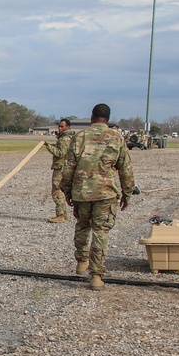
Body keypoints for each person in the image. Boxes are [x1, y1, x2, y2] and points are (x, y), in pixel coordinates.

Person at [60, 103, 135, 291]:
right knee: (100, 232)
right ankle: (96, 276)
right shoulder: (117, 138)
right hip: (105, 193)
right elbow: (125, 168)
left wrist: (67, 191)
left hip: (82, 192)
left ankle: (82, 261)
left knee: (83, 225)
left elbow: (68, 167)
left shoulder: (80, 137)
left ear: (92, 116)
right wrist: (127, 192)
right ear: (107, 118)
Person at [44, 118, 74, 223]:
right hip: (65, 167)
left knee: (56, 191)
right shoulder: (69, 137)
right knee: (60, 190)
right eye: (59, 126)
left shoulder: (65, 139)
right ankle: (63, 213)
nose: (60, 128)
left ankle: (60, 214)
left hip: (61, 168)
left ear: (67, 127)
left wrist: (48, 146)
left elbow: (60, 153)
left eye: (62, 126)